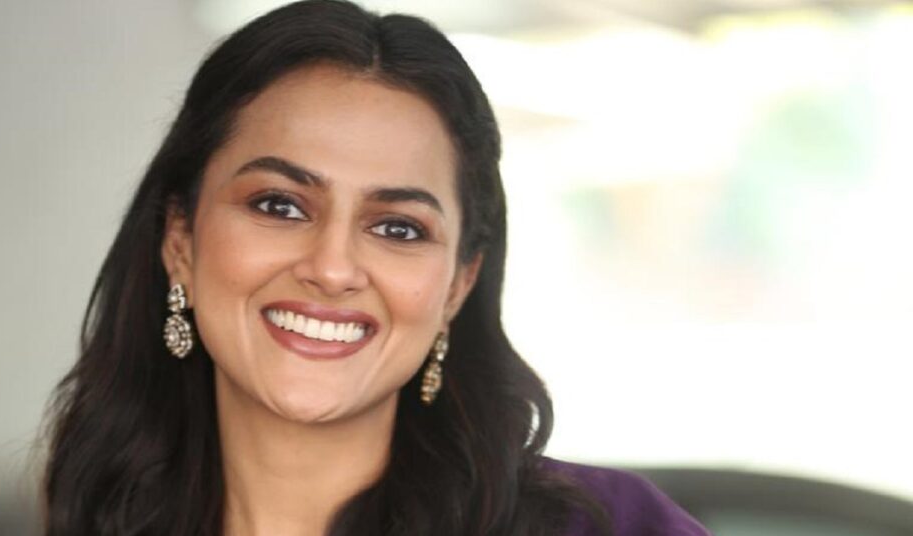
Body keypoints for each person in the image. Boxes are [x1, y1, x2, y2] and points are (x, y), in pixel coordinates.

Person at [39, 1, 712, 535]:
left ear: (459, 285)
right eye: (279, 205)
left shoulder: (615, 527)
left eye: (398, 228)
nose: (333, 268)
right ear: (180, 239)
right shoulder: (95, 518)